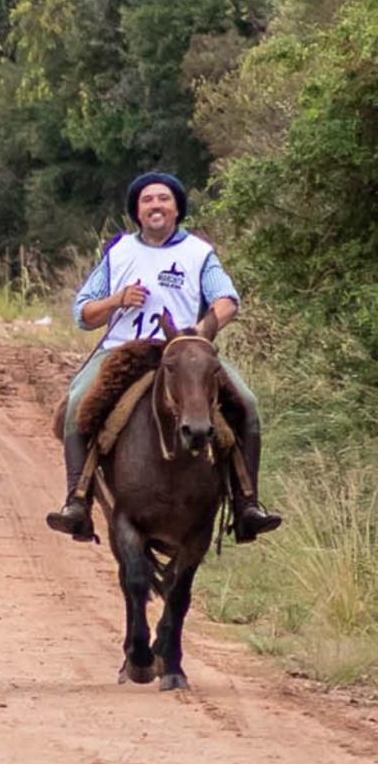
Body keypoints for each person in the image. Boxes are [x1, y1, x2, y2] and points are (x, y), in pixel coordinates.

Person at [48, 171, 281, 543]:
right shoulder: (119, 251)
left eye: (164, 199)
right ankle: (77, 502)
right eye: (147, 200)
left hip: (186, 351)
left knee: (247, 404)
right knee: (77, 403)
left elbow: (226, 300)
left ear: (177, 209)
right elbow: (83, 313)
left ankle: (246, 505)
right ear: (137, 212)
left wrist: (203, 330)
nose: (155, 205)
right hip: (124, 349)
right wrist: (117, 300)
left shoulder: (198, 253)